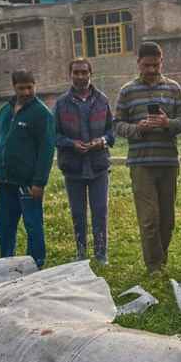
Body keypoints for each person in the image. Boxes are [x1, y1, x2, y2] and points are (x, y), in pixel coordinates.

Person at [114, 42, 181, 275]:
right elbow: (117, 124)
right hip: (141, 163)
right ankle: (154, 266)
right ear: (138, 63)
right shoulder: (127, 91)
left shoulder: (173, 88)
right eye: (146, 65)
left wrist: (168, 124)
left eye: (155, 65)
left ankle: (161, 260)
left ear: (161, 62)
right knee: (149, 220)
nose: (151, 70)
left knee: (167, 220)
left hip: (168, 161)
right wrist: (138, 128)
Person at [0, 69, 56, 269]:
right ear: (14, 87)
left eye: (30, 87)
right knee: (4, 225)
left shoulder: (41, 114)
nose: (26, 92)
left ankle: (36, 264)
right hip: (6, 181)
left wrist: (39, 182)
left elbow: (46, 150)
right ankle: (5, 262)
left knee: (33, 225)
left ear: (35, 85)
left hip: (28, 184)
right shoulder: (4, 111)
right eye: (22, 88)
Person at [54, 58, 115, 264]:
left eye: (84, 72)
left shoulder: (102, 100)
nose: (80, 77)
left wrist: (103, 140)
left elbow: (112, 131)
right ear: (70, 75)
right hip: (73, 167)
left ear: (91, 74)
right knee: (78, 213)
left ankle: (101, 254)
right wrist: (71, 143)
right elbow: (54, 135)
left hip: (98, 166)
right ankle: (81, 253)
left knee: (100, 211)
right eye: (76, 73)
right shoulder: (61, 104)